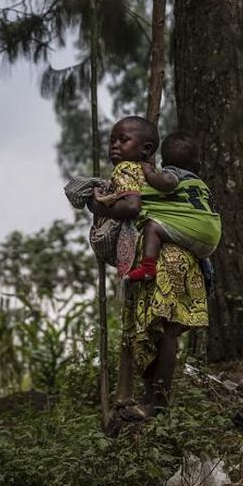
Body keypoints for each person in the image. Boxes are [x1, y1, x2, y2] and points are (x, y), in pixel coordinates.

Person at [84, 116, 210, 420]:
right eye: (112, 139)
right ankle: (155, 404)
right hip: (182, 257)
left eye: (123, 139)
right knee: (166, 333)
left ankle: (156, 405)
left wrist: (95, 205)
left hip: (160, 260)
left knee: (156, 332)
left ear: (147, 149)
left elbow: (132, 206)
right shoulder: (166, 177)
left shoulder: (128, 169)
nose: (115, 145)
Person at [127, 133, 222, 282]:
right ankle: (207, 273)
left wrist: (150, 173)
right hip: (211, 238)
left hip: (193, 231)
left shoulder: (174, 173)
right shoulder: (200, 185)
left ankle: (148, 268)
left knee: (152, 227)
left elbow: (167, 183)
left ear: (164, 164)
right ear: (198, 165)